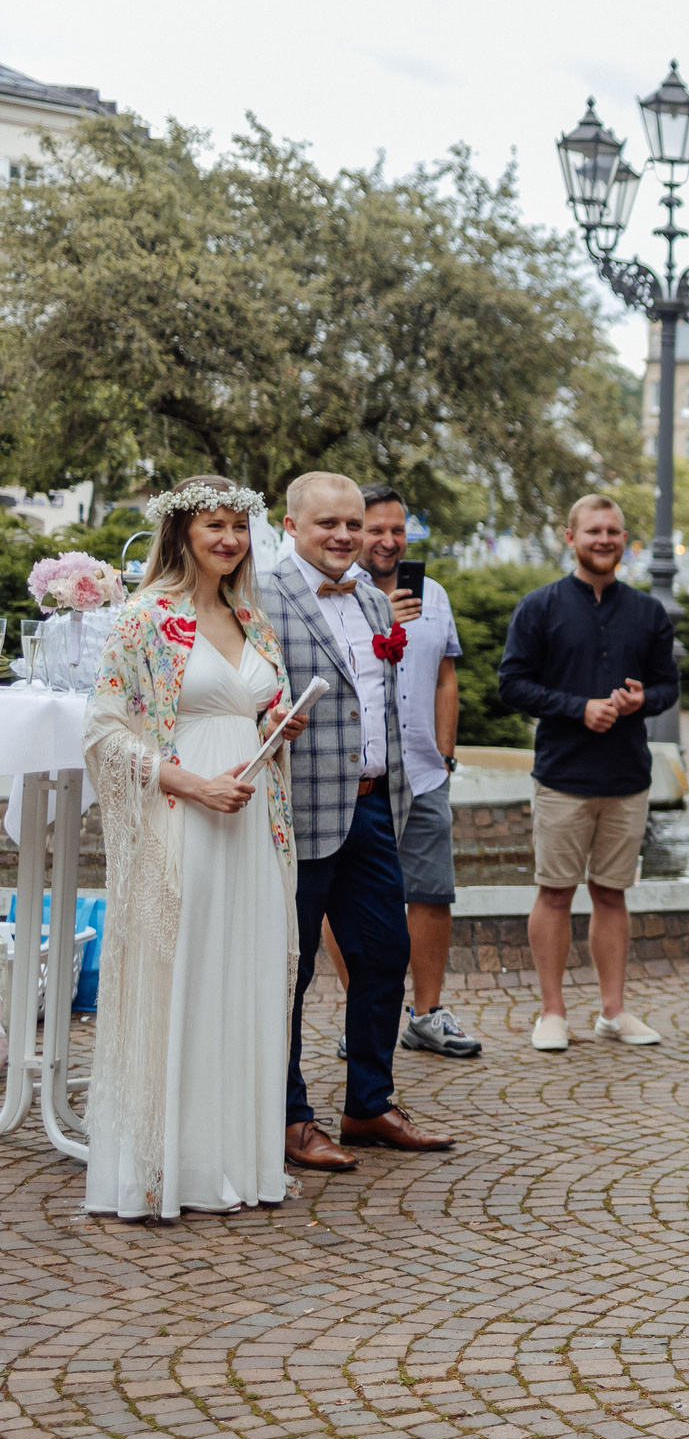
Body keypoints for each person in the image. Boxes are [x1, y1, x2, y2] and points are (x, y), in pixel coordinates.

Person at [82, 476, 308, 1216]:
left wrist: (278, 724)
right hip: (184, 820)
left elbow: (253, 707)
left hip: (251, 819)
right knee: (182, 978)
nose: (230, 540)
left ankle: (234, 1162)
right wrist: (189, 784)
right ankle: (161, 1169)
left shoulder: (252, 618)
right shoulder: (149, 617)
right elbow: (106, 732)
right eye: (215, 525)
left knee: (241, 975)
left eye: (239, 528)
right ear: (181, 532)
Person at [263, 472, 446, 1161]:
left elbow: (381, 699)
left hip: (372, 809)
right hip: (301, 811)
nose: (343, 536)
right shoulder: (261, 596)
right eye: (326, 525)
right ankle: (287, 1115)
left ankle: (368, 1105)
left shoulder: (373, 600)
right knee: (294, 967)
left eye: (352, 524)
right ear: (292, 525)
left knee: (386, 953)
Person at [497, 495, 680, 1054]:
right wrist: (578, 707)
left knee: (612, 895)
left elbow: (670, 688)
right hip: (563, 775)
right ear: (569, 536)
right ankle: (552, 1012)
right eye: (594, 531)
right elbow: (512, 684)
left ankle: (613, 1011)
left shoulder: (648, 613)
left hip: (627, 775)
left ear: (626, 540)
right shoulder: (540, 607)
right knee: (554, 893)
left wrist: (641, 698)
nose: (605, 539)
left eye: (615, 531)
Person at [355, 484, 479, 1059]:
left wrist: (446, 755)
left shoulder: (434, 594)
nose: (387, 540)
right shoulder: (336, 596)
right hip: (360, 772)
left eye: (397, 530)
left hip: (425, 770)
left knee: (430, 892)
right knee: (348, 897)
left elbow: (445, 677)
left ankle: (426, 1014)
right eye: (374, 528)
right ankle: (364, 1013)